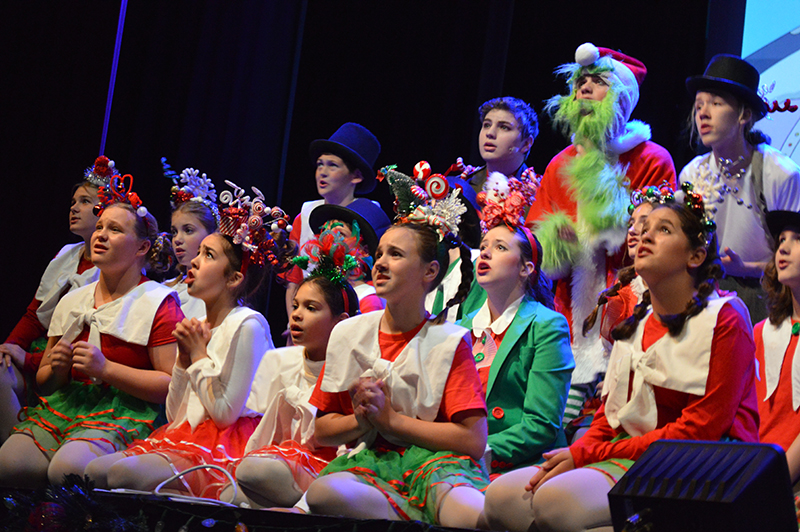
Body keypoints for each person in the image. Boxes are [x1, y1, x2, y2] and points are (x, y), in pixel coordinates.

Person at [484, 183, 759, 532]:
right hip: (631, 451)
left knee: (555, 503)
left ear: (696, 256)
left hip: (697, 462)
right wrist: (576, 454)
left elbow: (702, 428)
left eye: (663, 230)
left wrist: (587, 456)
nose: (644, 236)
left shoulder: (724, 317)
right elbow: (608, 415)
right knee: (501, 499)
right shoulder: (635, 322)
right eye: (642, 229)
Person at [303, 165, 489, 528]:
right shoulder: (349, 333)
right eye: (382, 253)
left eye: (397, 255)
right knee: (324, 494)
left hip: (435, 463)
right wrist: (361, 418)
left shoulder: (447, 341)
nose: (382, 263)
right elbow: (322, 431)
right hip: (372, 461)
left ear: (430, 272)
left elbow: (472, 440)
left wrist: (391, 420)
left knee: (468, 516)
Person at [84, 183, 291, 500]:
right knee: (93, 473)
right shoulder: (198, 325)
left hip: (226, 443)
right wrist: (183, 359)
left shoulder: (247, 324)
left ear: (233, 279)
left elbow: (224, 414)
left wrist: (197, 355)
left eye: (208, 255)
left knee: (119, 473)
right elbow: (174, 414)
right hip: (186, 433)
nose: (193, 261)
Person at [524, 42, 676, 422]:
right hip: (566, 309)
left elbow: (660, 237)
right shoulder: (561, 163)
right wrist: (554, 241)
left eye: (598, 82)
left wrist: (606, 225)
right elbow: (535, 237)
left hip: (627, 305)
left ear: (622, 97)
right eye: (580, 83)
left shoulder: (652, 159)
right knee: (559, 409)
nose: (585, 89)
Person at [0, 175, 182, 489]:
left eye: (115, 230)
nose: (101, 235)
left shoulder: (156, 302)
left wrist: (106, 369)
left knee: (67, 470)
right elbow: (44, 384)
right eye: (99, 227)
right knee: (9, 464)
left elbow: (170, 385)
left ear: (142, 247)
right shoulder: (73, 300)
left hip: (125, 409)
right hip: (69, 406)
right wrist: (57, 369)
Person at [227, 226, 361, 508]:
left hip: (329, 467)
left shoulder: (352, 372)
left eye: (312, 308)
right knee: (230, 495)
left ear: (341, 321)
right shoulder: (281, 361)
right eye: (297, 305)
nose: (297, 315)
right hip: (283, 460)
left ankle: (309, 509)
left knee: (255, 473)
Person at [459, 172, 573, 475]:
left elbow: (541, 425)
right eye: (484, 245)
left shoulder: (547, 325)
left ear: (526, 268)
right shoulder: (459, 329)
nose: (485, 252)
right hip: (457, 458)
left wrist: (481, 450)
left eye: (500, 247)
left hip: (520, 464)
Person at [679, 54, 800, 323]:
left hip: (768, 299)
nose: (703, 113)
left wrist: (745, 268)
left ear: (744, 114)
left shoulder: (780, 174)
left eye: (716, 103)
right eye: (699, 105)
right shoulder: (692, 174)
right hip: (706, 294)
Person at [0, 157, 113, 443]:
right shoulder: (66, 255)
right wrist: (10, 346)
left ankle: (24, 454)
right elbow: (34, 314)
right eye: (74, 201)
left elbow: (87, 340)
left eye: (85, 202)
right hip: (43, 354)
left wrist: (28, 359)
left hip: (69, 368)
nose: (74, 208)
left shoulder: (112, 268)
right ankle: (13, 453)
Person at [284, 123, 382, 320]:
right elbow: (294, 282)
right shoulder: (305, 215)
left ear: (356, 176)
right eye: (320, 164)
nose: (322, 171)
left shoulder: (370, 216)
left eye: (333, 165)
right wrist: (293, 322)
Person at [754, 210, 800, 488]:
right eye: (782, 239)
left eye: (798, 239)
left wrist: (771, 485)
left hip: (782, 478)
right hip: (759, 469)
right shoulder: (763, 332)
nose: (783, 247)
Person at [307, 198, 391, 313]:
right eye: (325, 233)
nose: (328, 239)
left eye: (340, 234)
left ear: (365, 250)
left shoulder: (367, 300)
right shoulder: (320, 290)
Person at [161, 159, 220, 319]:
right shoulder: (163, 289)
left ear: (212, 234)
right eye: (174, 232)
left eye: (188, 230)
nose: (177, 239)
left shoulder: (219, 296)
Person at [464, 96, 540, 195]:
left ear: (526, 144)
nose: (490, 133)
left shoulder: (541, 194)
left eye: (504, 127)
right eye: (487, 125)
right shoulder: (461, 186)